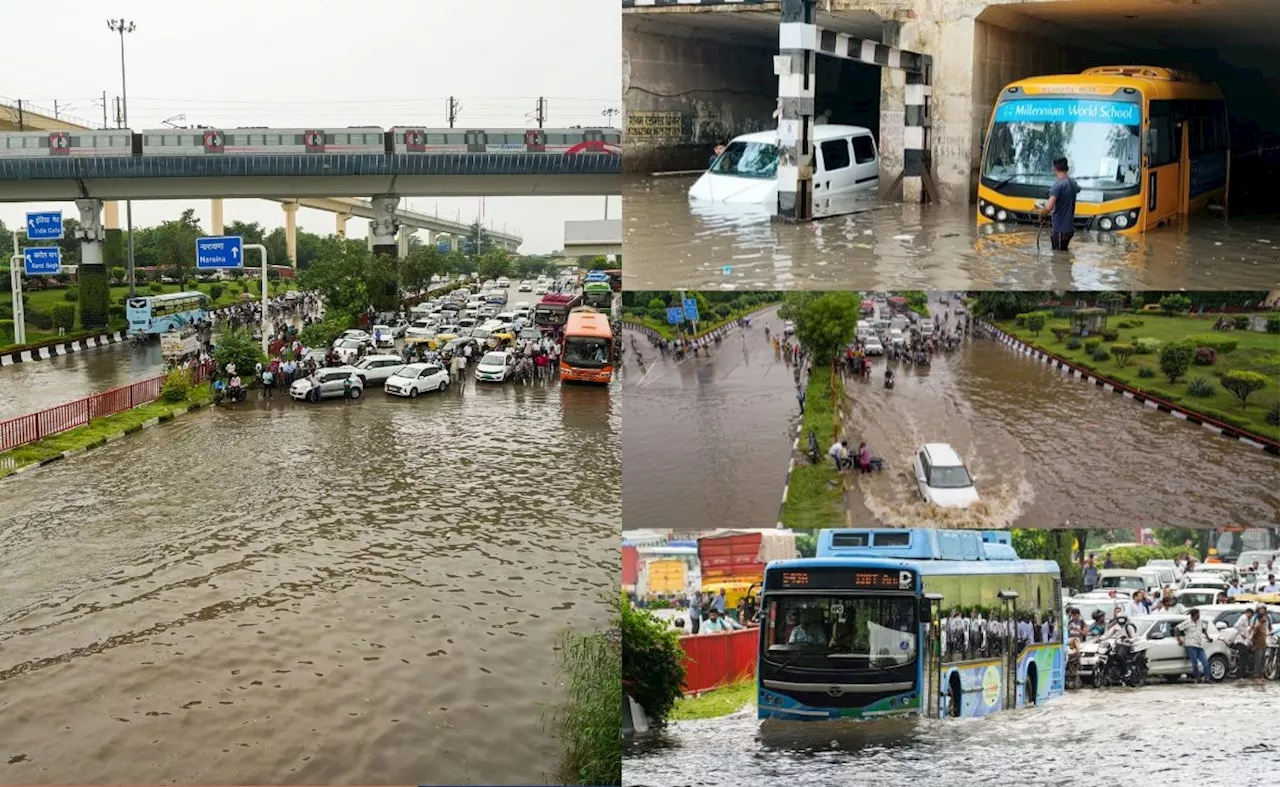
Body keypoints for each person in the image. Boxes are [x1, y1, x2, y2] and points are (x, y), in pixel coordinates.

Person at [1039, 157, 1081, 251]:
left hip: (1060, 230)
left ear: (1055, 169)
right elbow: (1077, 189)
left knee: (1057, 258)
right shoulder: (1073, 183)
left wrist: (1042, 215)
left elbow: (1049, 207)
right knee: (1064, 254)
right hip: (1069, 229)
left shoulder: (1057, 185)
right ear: (1067, 169)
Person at [1176, 608, 1212, 683]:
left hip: (1199, 645)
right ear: (1194, 615)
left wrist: (1208, 637)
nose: (1199, 615)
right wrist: (1179, 639)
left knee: (1205, 662)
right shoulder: (1187, 623)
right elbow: (1177, 628)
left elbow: (1203, 629)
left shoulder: (1200, 622)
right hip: (1190, 644)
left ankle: (1207, 678)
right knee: (1194, 662)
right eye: (1198, 614)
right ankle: (1197, 678)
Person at [1250, 606, 1272, 682]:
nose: (1265, 619)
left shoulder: (1264, 627)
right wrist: (1253, 645)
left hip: (1263, 645)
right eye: (1264, 618)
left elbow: (1269, 630)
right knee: (1258, 661)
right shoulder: (1258, 626)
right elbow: (1253, 636)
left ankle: (1261, 676)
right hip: (1258, 645)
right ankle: (1256, 676)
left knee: (1262, 660)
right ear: (1261, 619)